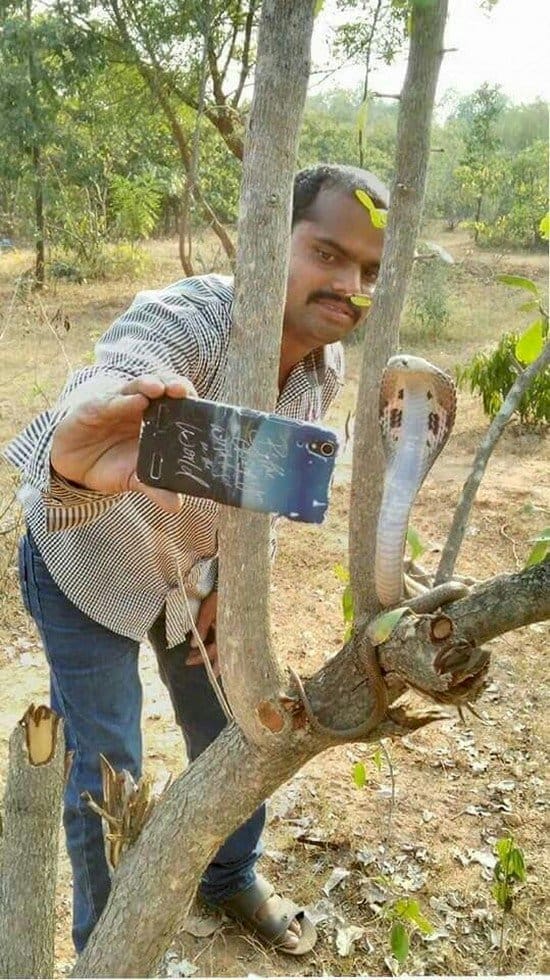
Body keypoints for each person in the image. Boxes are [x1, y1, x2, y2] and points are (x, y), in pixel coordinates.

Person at [3, 163, 388, 955]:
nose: (348, 284)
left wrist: (228, 588)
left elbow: (266, 487)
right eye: (326, 253)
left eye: (370, 271)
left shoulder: (326, 365)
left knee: (236, 727)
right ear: (268, 241)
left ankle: (229, 876)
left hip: (192, 578)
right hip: (88, 563)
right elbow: (115, 374)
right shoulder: (191, 320)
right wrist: (83, 449)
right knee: (107, 767)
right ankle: (111, 947)